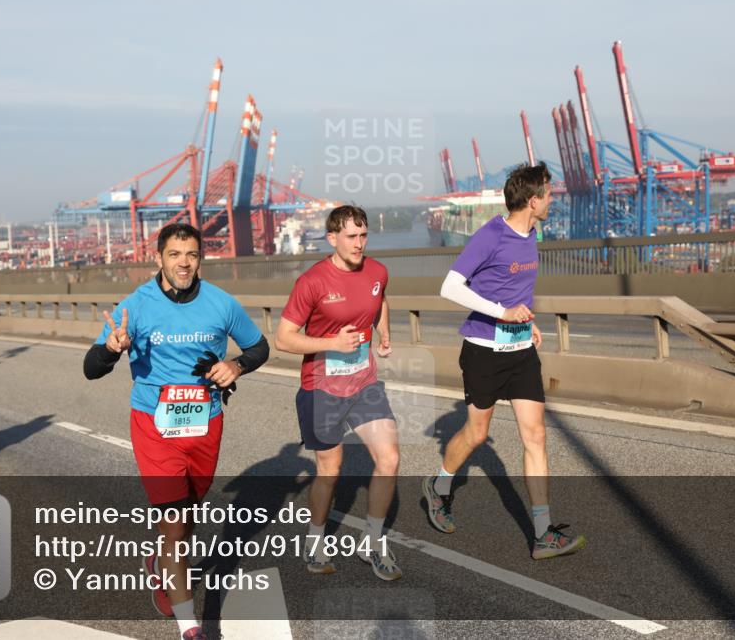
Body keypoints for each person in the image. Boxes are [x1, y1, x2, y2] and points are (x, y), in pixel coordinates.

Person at [83, 223, 269, 640]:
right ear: (159, 258)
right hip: (153, 424)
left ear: (200, 258)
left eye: (192, 254)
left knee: (188, 520)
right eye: (175, 254)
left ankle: (158, 562)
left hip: (205, 423)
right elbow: (91, 368)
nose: (184, 262)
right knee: (173, 524)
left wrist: (236, 365)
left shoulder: (221, 304)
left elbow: (260, 348)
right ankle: (191, 628)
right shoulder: (137, 306)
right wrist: (111, 350)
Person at [422, 162, 587, 560]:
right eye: (548, 194)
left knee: (536, 436)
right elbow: (449, 286)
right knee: (477, 434)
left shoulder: (532, 234)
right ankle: (439, 487)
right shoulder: (490, 235)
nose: (552, 200)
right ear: (533, 200)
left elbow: (516, 290)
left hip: (520, 352)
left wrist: (526, 322)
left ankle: (543, 532)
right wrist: (501, 313)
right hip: (483, 352)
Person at [274, 205, 402, 581]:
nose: (359, 244)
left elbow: (379, 300)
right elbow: (283, 339)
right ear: (332, 238)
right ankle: (315, 540)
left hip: (364, 382)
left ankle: (373, 542)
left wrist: (384, 332)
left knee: (390, 458)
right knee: (330, 471)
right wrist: (331, 341)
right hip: (322, 388)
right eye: (351, 237)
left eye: (363, 236)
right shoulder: (312, 282)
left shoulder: (377, 271)